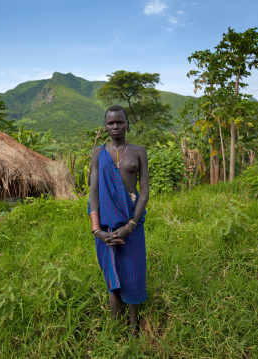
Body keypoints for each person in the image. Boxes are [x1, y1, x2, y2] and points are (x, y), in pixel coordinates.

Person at [88, 105, 149, 335]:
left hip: (131, 222)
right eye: (110, 123)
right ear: (105, 126)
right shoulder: (98, 153)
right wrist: (97, 230)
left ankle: (133, 325)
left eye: (120, 122)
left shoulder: (138, 151)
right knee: (111, 272)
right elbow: (93, 191)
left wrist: (131, 224)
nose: (115, 127)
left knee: (133, 271)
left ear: (127, 124)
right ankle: (115, 324)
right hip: (106, 225)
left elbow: (144, 191)